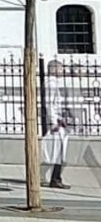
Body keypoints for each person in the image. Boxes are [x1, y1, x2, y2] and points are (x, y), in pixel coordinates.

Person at [43, 59, 71, 190]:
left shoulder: (54, 83)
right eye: (60, 69)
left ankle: (55, 177)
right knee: (57, 151)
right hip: (55, 123)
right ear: (54, 69)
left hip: (58, 120)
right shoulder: (51, 84)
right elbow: (50, 104)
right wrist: (54, 121)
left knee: (58, 151)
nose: (63, 71)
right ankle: (54, 178)